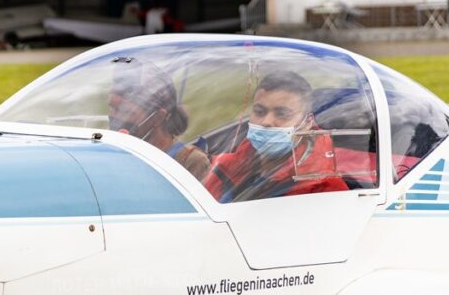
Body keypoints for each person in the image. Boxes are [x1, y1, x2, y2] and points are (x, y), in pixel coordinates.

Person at [203, 70, 347, 202]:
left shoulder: (325, 187)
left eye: (282, 114)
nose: (266, 122)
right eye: (259, 111)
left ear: (307, 123)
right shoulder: (222, 168)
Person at [108, 60, 210, 180]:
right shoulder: (110, 151)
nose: (114, 117)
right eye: (112, 108)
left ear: (158, 118)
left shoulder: (190, 162)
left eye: (125, 111)